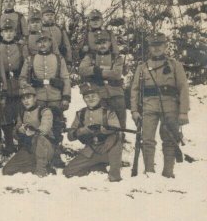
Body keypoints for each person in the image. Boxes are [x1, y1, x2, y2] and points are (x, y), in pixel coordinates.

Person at [130, 32, 190, 178]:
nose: (156, 49)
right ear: (149, 48)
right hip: (148, 107)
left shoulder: (175, 65)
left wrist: (183, 112)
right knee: (147, 139)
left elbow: (183, 88)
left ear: (165, 46)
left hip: (170, 107)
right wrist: (134, 110)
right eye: (153, 46)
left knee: (169, 139)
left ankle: (168, 172)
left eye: (159, 45)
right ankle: (149, 171)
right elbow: (135, 90)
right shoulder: (142, 67)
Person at [64, 82, 123, 182]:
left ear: (99, 96)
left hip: (107, 149)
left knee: (117, 138)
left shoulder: (108, 112)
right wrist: (83, 131)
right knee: (68, 172)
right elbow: (70, 136)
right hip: (91, 150)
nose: (90, 99)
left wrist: (105, 131)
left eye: (93, 96)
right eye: (87, 97)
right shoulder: (81, 114)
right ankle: (97, 166)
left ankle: (114, 175)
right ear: (83, 99)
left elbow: (116, 129)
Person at [2, 84, 54, 177]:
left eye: (28, 97)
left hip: (45, 148)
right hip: (29, 148)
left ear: (35, 98)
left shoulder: (44, 111)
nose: (26, 101)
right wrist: (19, 130)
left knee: (40, 138)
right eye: (23, 98)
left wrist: (33, 131)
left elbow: (44, 129)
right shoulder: (22, 113)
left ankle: (41, 169)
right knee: (7, 170)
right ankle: (40, 166)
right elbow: (15, 132)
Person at [78, 30, 126, 128]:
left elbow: (116, 74)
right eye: (99, 43)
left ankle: (120, 140)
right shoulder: (90, 57)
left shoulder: (116, 58)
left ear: (109, 43)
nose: (102, 46)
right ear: (95, 45)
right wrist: (107, 70)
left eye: (104, 42)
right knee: (100, 120)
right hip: (98, 92)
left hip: (115, 92)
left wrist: (96, 71)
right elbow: (82, 70)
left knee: (120, 119)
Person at [20, 32, 71, 111]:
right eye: (39, 42)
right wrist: (30, 87)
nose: (42, 44)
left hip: (55, 98)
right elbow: (22, 78)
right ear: (36, 44)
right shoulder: (30, 59)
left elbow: (65, 78)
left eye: (45, 41)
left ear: (50, 43)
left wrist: (66, 97)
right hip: (37, 98)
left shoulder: (59, 59)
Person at [0, 20, 26, 154]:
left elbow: (27, 65)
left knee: (21, 111)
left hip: (18, 82)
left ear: (15, 33)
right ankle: (8, 143)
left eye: (11, 31)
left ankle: (22, 141)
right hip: (4, 82)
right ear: (1, 33)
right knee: (6, 112)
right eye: (5, 31)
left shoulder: (20, 47)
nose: (8, 34)